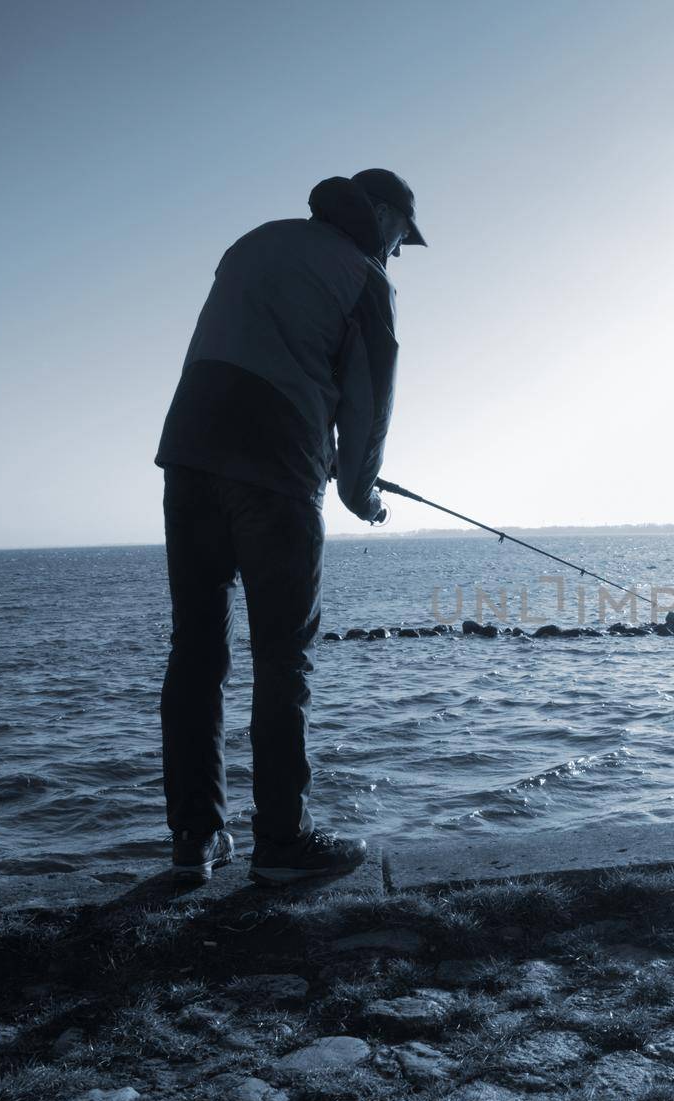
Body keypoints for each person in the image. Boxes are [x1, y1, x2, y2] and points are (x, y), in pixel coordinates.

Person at [154, 169, 426, 883]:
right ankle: (281, 841)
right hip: (274, 471)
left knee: (196, 652)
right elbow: (368, 399)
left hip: (187, 455)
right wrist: (361, 493)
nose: (398, 252)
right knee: (283, 659)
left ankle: (195, 837)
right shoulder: (366, 280)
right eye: (402, 233)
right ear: (378, 214)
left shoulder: (256, 242)